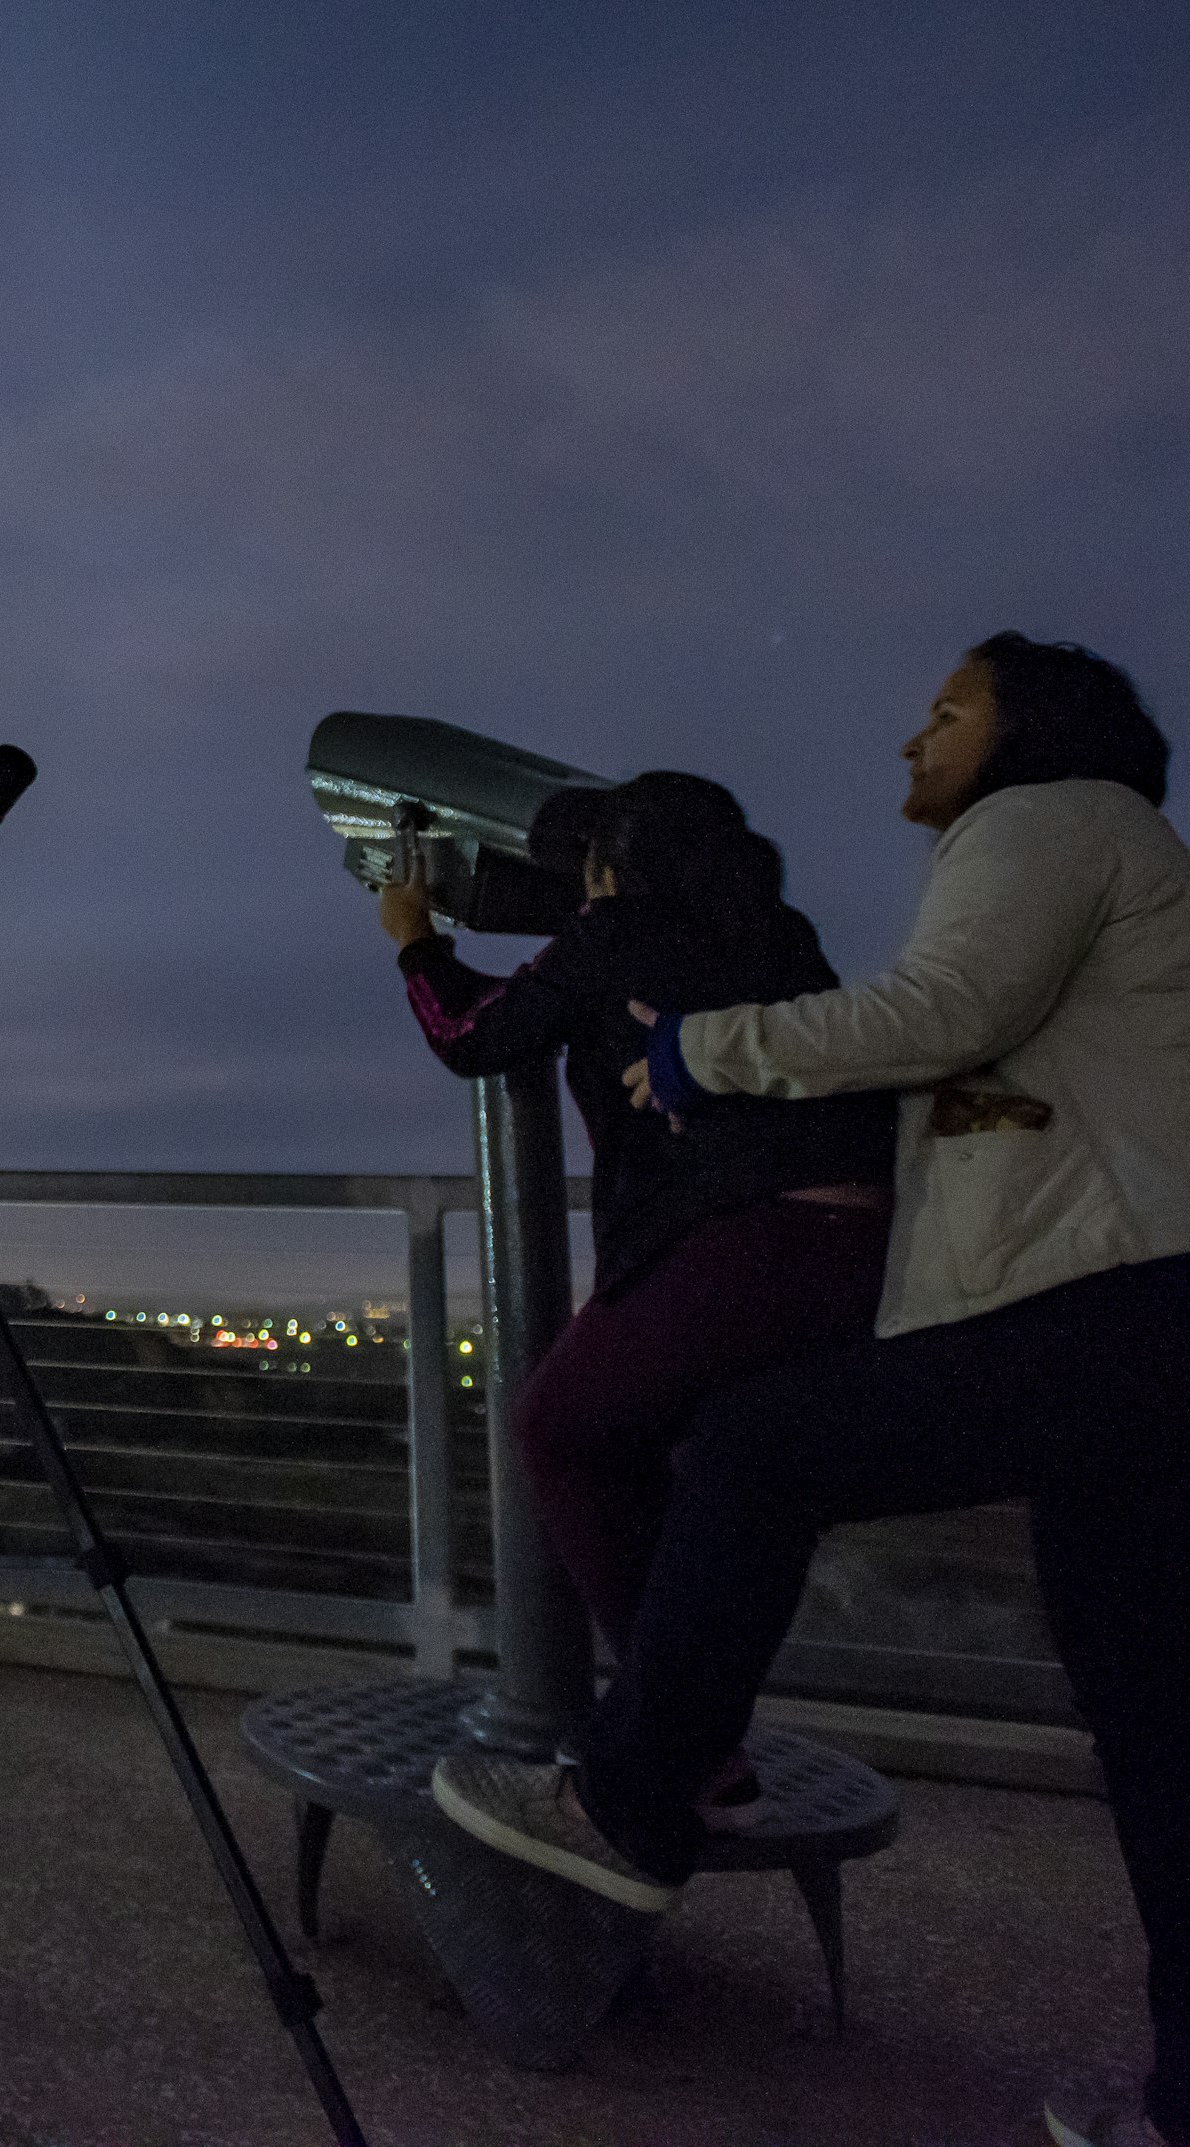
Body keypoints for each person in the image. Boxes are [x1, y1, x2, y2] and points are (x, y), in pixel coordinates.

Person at [426, 635, 1190, 2147]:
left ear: (1029, 729)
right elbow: (990, 1074)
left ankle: (635, 1797)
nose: (910, 738)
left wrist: (699, 1048)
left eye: (946, 710)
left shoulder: (1048, 817)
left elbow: (936, 1009)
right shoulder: (1129, 870)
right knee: (1175, 1736)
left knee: (754, 1444)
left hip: (1155, 1303)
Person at [379, 770, 895, 1824]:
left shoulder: (613, 934)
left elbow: (471, 1033)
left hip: (734, 1245)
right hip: (854, 1247)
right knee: (725, 1476)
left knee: (563, 1431)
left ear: (611, 866)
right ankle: (698, 1744)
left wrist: (411, 934)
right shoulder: (778, 930)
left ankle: (674, 1747)